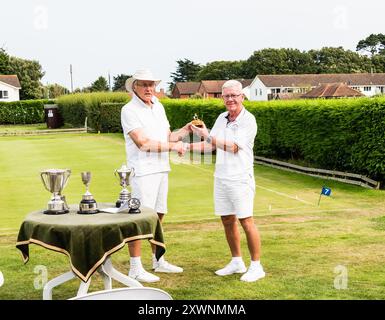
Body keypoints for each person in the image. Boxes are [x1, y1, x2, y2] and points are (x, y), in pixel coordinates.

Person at [188, 80, 265, 282]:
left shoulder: (249, 120)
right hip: (221, 177)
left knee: (246, 221)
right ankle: (237, 261)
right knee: (227, 220)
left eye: (234, 95)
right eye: (226, 96)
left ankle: (256, 267)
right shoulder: (222, 118)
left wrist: (207, 136)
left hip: (240, 178)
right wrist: (185, 146)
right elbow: (211, 145)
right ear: (222, 98)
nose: (230, 99)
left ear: (242, 97)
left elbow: (232, 147)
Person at [121, 69, 190, 282]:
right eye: (144, 84)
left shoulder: (158, 106)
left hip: (161, 169)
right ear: (134, 87)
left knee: (158, 215)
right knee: (140, 218)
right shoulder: (129, 110)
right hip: (142, 172)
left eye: (151, 84)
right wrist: (173, 146)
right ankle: (135, 267)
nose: (149, 88)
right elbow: (143, 143)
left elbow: (168, 136)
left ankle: (158, 260)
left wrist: (186, 130)